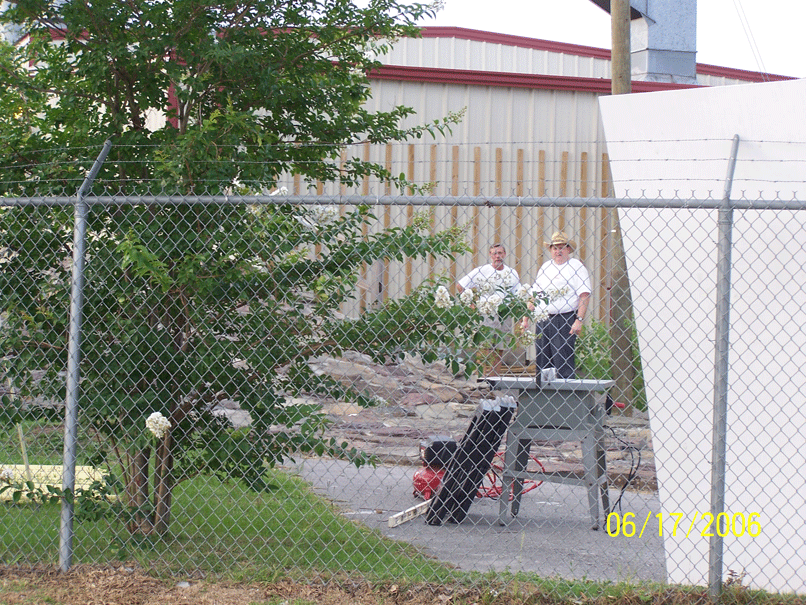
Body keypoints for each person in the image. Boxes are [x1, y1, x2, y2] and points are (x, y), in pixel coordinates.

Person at [522, 231, 591, 379]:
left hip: (564, 319)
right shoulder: (546, 267)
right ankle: (543, 395)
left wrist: (578, 320)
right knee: (542, 358)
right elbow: (535, 294)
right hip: (543, 319)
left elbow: (584, 295)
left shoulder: (576, 267)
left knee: (562, 358)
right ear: (551, 250)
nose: (558, 251)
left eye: (562, 247)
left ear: (568, 249)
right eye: (555, 248)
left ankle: (565, 397)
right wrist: (525, 319)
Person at [457, 243, 520, 375]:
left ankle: (494, 378)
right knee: (486, 346)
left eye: (500, 253)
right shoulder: (482, 271)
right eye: (494, 253)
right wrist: (471, 303)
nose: (497, 256)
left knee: (500, 347)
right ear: (490, 255)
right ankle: (482, 377)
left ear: (505, 254)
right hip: (487, 312)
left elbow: (517, 294)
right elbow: (460, 285)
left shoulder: (511, 273)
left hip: (505, 313)